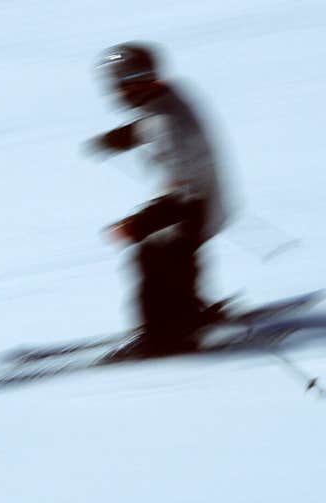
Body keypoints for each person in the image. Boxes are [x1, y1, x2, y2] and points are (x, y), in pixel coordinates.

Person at [86, 42, 228, 357]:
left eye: (133, 79)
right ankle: (190, 313)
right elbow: (152, 120)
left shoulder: (168, 124)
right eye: (122, 81)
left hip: (194, 206)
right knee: (172, 255)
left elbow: (182, 196)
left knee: (154, 254)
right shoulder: (166, 98)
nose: (125, 89)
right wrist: (121, 138)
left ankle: (165, 337)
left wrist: (137, 224)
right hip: (204, 198)